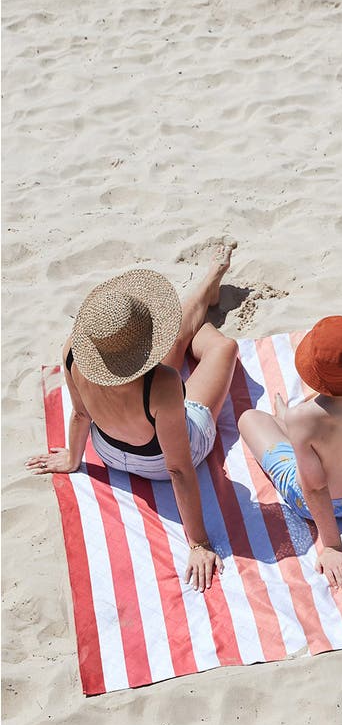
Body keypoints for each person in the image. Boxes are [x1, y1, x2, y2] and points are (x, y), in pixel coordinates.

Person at [27, 246, 239, 592]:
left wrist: (71, 459)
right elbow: (179, 469)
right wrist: (198, 543)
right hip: (158, 462)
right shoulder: (165, 384)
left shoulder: (71, 352)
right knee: (224, 348)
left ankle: (206, 289)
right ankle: (201, 311)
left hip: (106, 451)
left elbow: (80, 413)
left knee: (177, 342)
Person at [238, 315, 342, 590]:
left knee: (249, 418)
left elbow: (315, 487)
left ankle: (287, 428)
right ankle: (298, 429)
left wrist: (332, 545)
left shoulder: (302, 419)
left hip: (312, 505)